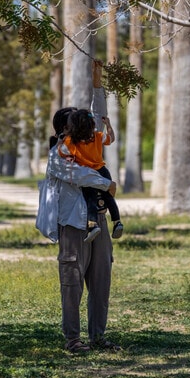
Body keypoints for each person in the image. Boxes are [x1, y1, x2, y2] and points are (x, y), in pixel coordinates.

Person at [45, 63, 121, 354]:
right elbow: (76, 176)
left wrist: (98, 85)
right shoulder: (58, 154)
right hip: (73, 226)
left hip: (99, 222)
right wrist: (107, 184)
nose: (85, 126)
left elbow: (99, 119)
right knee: (72, 284)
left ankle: (98, 337)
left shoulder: (88, 145)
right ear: (65, 128)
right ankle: (73, 339)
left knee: (101, 283)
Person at [58, 109, 123, 243]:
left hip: (88, 174)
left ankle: (92, 225)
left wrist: (62, 140)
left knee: (90, 198)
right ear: (92, 124)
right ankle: (117, 222)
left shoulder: (70, 141)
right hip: (102, 170)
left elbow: (61, 153)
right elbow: (111, 139)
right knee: (108, 197)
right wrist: (108, 125)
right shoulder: (98, 136)